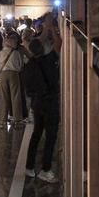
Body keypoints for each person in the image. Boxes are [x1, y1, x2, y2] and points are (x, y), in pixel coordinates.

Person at [22, 38, 60, 182]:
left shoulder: (29, 65)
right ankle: (46, 169)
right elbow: (57, 46)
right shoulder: (48, 62)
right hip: (50, 103)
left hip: (37, 103)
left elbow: (29, 89)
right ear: (43, 49)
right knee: (50, 136)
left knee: (36, 134)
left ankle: (29, 166)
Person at [0, 33, 28, 125]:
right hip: (14, 74)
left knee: (3, 97)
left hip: (3, 74)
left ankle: (2, 119)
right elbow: (20, 65)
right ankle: (17, 118)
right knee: (15, 96)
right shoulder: (16, 53)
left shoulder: (1, 53)